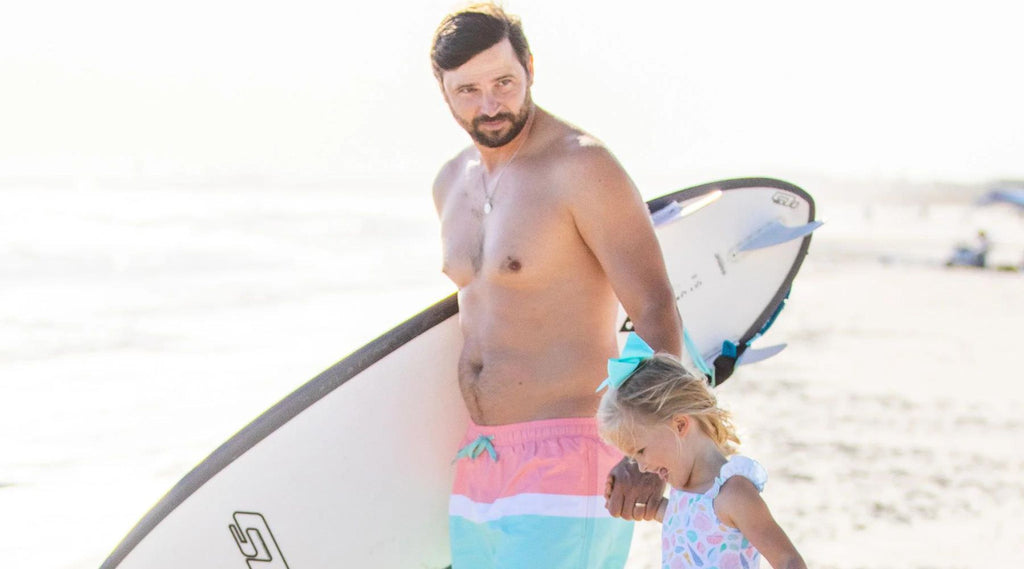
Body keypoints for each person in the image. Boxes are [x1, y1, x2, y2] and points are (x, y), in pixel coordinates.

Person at [430, 3, 688, 567]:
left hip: (571, 456)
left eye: (504, 81)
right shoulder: (449, 183)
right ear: (444, 92)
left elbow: (657, 310)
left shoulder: (581, 166)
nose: (490, 104)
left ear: (529, 67)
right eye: (468, 90)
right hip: (479, 459)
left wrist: (648, 450)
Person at [597, 333, 807, 569]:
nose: (642, 466)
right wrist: (653, 509)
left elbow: (788, 560)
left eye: (641, 451)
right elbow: (694, 524)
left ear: (680, 425)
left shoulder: (733, 493)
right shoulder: (682, 492)